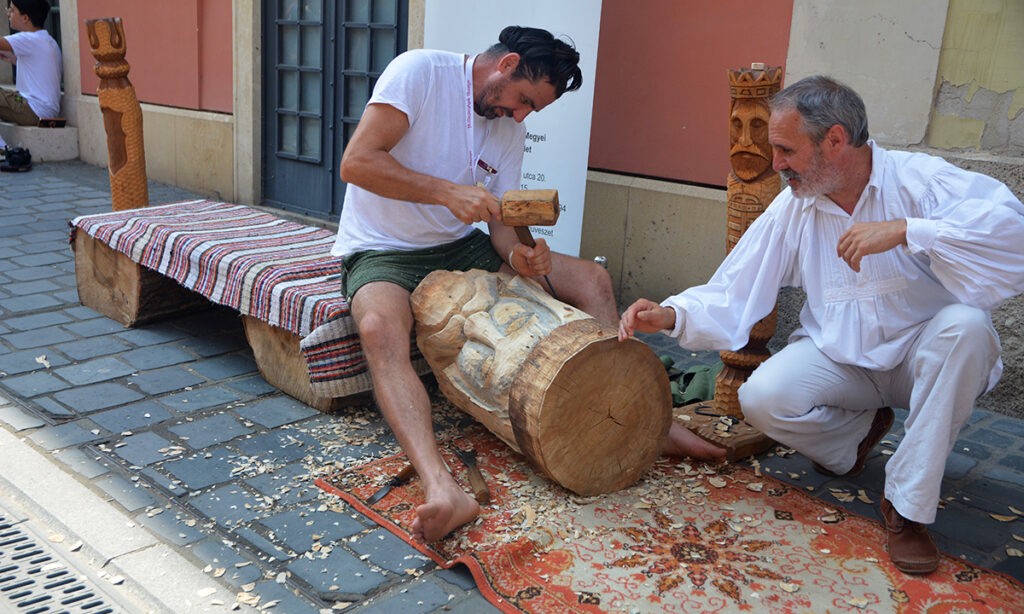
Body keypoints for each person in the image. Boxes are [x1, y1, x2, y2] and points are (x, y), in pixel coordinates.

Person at [619, 75, 1024, 574]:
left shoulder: (919, 180)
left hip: (924, 358)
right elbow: (737, 286)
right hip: (843, 361)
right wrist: (672, 314)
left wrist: (909, 231)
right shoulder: (794, 206)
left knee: (967, 328)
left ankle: (907, 509)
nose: (776, 164)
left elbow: (1012, 234)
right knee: (762, 396)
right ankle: (851, 440)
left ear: (834, 140)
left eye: (786, 149)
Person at [334, 26, 721, 543]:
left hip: (459, 245)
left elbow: (501, 224)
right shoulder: (419, 72)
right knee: (380, 329)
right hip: (382, 247)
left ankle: (640, 415)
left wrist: (522, 252)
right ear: (506, 63)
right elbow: (356, 163)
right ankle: (443, 488)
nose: (519, 116)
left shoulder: (508, 129)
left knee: (592, 278)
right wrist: (447, 193)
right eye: (522, 100)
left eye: (530, 111)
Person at [0, 0, 62, 126]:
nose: (8, 14)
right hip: (44, 111)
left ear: (25, 18)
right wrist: (14, 60)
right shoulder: (47, 40)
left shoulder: (29, 38)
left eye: (12, 10)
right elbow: (37, 67)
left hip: (33, 110)